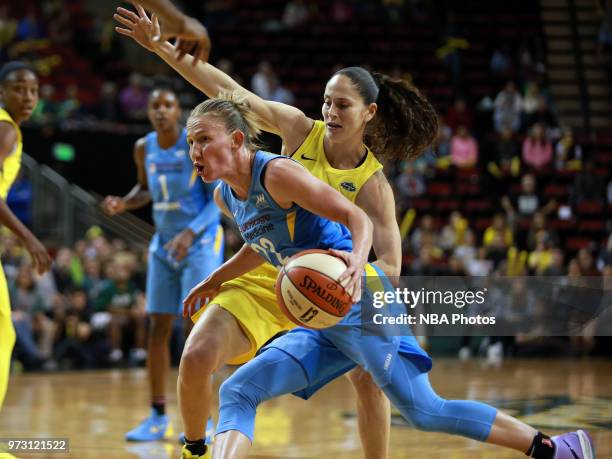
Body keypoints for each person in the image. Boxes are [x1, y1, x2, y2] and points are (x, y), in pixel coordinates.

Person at [184, 94, 595, 459]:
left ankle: (556, 449)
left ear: (237, 140)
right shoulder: (226, 194)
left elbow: (356, 217)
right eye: (191, 142)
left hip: (360, 302)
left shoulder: (277, 174)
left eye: (204, 139)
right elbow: (262, 243)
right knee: (238, 391)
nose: (195, 150)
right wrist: (215, 280)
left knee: (424, 411)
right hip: (321, 315)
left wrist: (354, 266)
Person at [113, 6, 438, 459]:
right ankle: (195, 447)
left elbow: (391, 267)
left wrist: (342, 280)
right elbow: (227, 91)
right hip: (272, 272)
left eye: (342, 105)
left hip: (332, 281)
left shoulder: (374, 186)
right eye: (327, 101)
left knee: (369, 381)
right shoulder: (299, 129)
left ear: (369, 113)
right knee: (200, 353)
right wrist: (161, 47)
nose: (330, 111)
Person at [102, 87, 224, 442]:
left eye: (167, 104)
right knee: (157, 329)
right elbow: (145, 190)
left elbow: (217, 200)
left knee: (196, 332)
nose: (161, 110)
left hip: (200, 242)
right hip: (164, 246)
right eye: (155, 105)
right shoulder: (144, 147)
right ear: (148, 111)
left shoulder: (195, 146)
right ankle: (157, 416)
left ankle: (205, 418)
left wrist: (189, 233)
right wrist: (123, 204)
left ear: (177, 111)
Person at [0, 61, 52, 429]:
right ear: (3, 92)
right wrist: (30, 239)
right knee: (2, 332)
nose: (28, 96)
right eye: (20, 88)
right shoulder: (6, 130)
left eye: (33, 90)